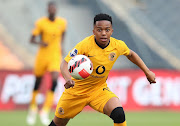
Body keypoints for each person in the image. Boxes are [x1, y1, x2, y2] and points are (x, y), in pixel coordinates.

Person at [49, 13, 156, 126]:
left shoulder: (117, 45)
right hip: (76, 91)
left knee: (119, 114)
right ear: (94, 31)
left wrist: (147, 71)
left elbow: (131, 54)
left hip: (98, 90)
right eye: (99, 30)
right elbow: (64, 63)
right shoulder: (84, 45)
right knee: (58, 123)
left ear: (111, 31)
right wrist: (67, 79)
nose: (103, 33)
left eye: (107, 30)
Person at [26, 1, 67, 125]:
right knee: (37, 82)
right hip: (42, 56)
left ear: (56, 10)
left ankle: (44, 110)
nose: (52, 10)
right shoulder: (41, 23)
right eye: (50, 8)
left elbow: (63, 34)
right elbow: (32, 39)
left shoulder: (62, 23)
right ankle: (33, 108)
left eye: (54, 8)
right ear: (47, 10)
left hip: (55, 56)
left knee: (54, 80)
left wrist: (61, 46)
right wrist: (41, 43)